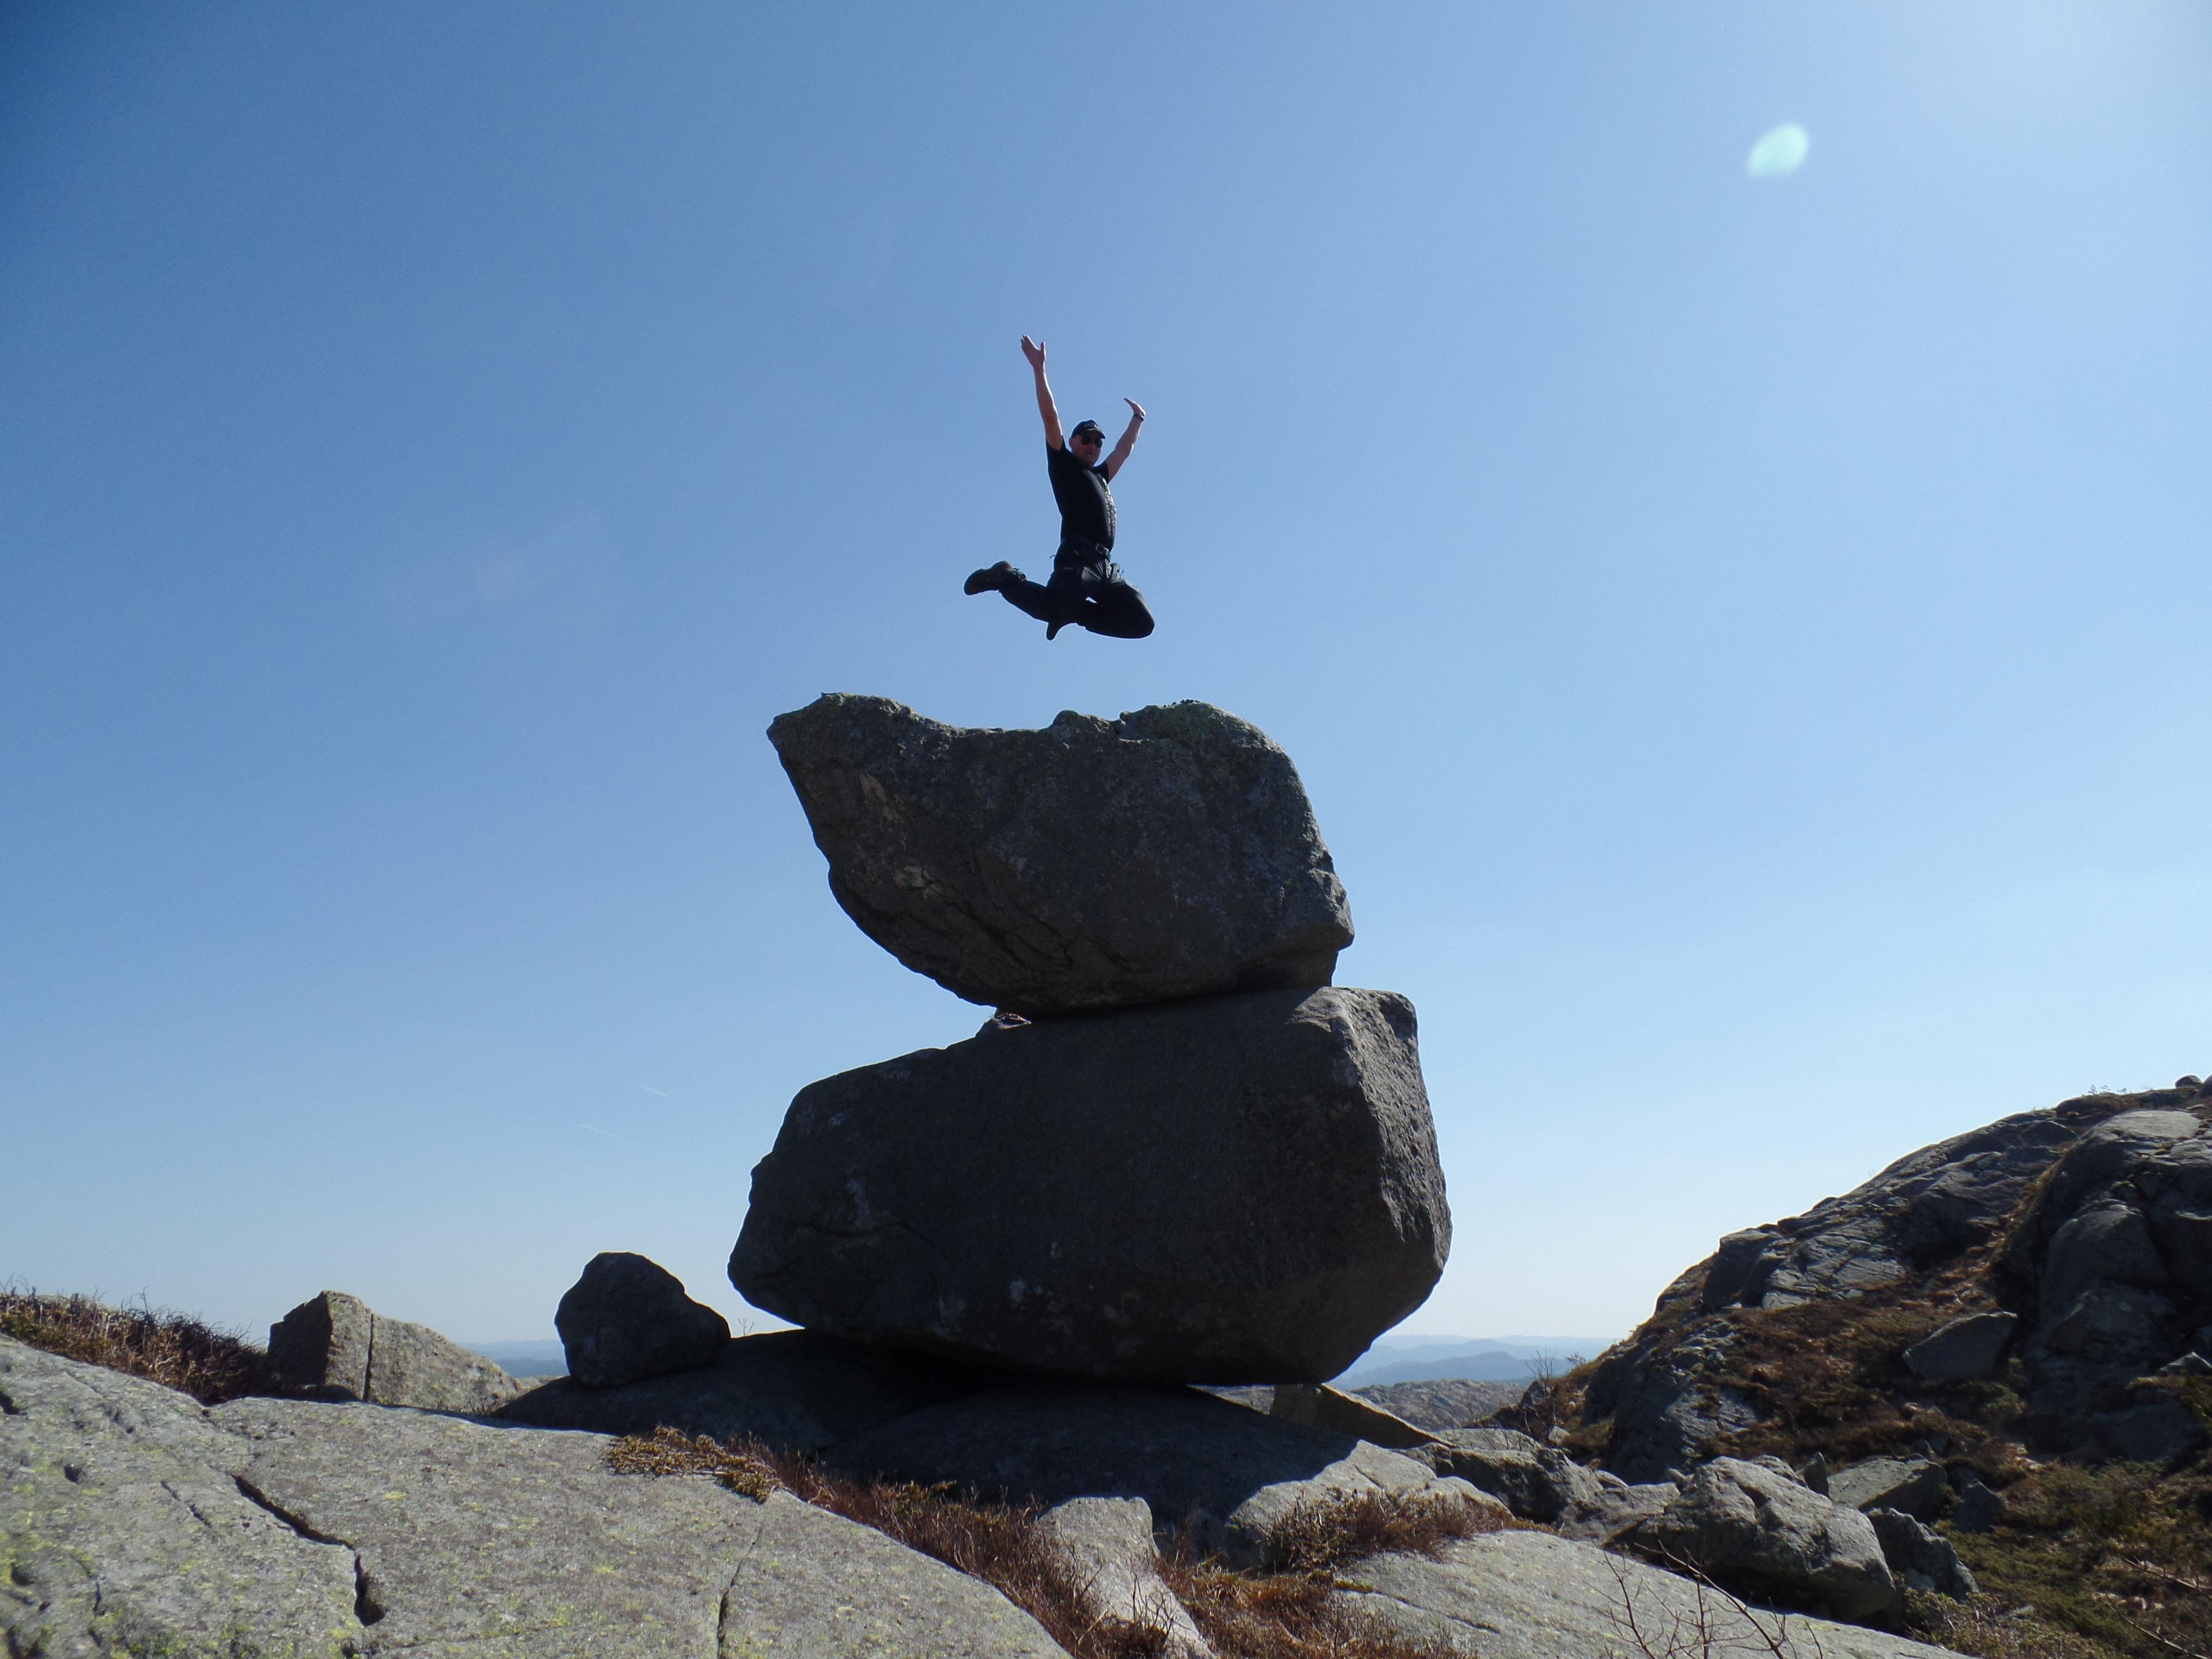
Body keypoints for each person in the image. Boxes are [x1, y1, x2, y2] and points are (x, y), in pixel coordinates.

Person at [964, 336, 1155, 641]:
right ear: (1074, 442)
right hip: (1078, 558)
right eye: (1087, 439)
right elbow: (1050, 417)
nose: (1094, 446)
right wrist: (1039, 370)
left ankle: (1076, 614)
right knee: (1052, 609)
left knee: (1140, 622)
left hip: (1105, 567)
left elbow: (1124, 449)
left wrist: (1138, 418)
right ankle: (1006, 578)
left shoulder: (1101, 476)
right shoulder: (1065, 465)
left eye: (1098, 442)